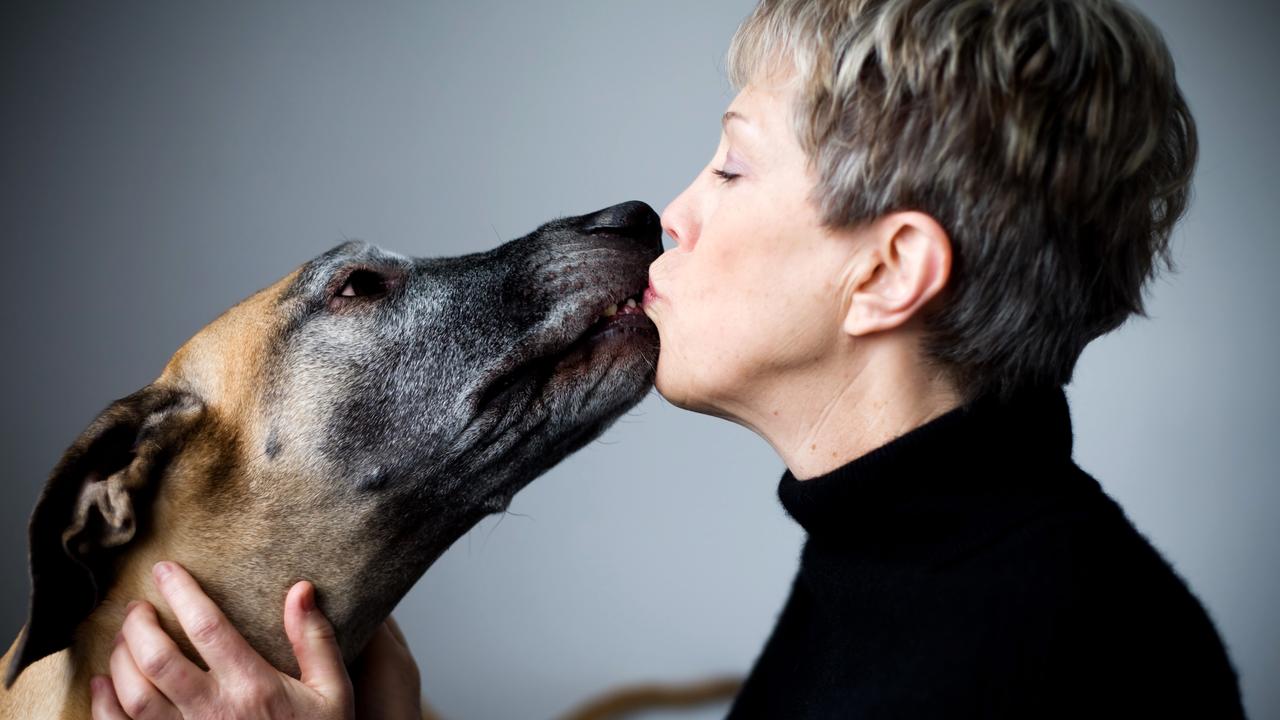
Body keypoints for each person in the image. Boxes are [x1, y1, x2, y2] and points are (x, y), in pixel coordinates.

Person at [91, 0, 1246, 717]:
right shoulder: (940, 571)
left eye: (733, 168)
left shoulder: (1037, 655)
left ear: (888, 273)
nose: (672, 212)